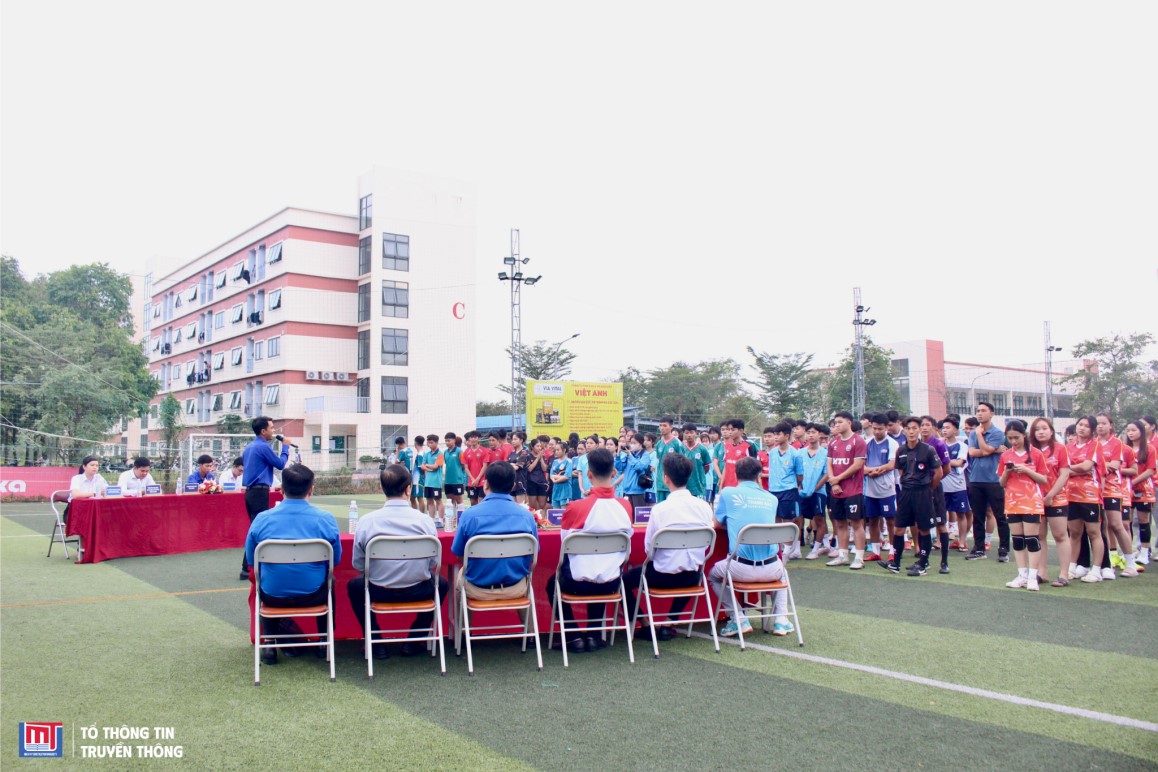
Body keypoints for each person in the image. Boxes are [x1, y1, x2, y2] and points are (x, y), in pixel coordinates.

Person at [347, 464, 448, 660]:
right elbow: (433, 563)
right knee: (441, 584)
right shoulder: (425, 521)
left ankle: (375, 641)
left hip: (378, 589)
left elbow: (359, 565)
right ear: (409, 489)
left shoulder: (367, 521)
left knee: (355, 586)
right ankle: (415, 639)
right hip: (418, 588)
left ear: (382, 488)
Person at [245, 464, 341, 665]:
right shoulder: (325, 519)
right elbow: (336, 560)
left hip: (272, 595)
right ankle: (324, 641)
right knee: (330, 580)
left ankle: (269, 643)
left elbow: (252, 561)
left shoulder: (262, 519)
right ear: (311, 489)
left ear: (281, 489)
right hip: (314, 594)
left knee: (265, 581)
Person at [547, 447, 633, 653]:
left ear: (589, 474)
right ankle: (594, 635)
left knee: (553, 583)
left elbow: (565, 545)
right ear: (614, 473)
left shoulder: (575, 507)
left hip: (576, 583)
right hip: (611, 583)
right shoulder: (625, 506)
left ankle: (573, 636)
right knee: (603, 566)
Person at [623, 453, 714, 641]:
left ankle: (645, 624)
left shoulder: (659, 509)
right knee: (688, 568)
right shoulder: (704, 507)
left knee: (622, 581)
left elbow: (649, 550)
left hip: (660, 576)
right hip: (692, 576)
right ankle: (669, 622)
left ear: (665, 478)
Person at [710, 456, 794, 637]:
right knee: (782, 574)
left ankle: (738, 617)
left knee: (713, 575)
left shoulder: (728, 493)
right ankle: (781, 619)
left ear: (735, 474)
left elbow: (716, 524)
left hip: (740, 568)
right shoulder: (772, 498)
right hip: (772, 568)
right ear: (759, 476)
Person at [450, 460, 539, 610]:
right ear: (513, 486)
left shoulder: (469, 515)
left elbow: (460, 555)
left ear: (485, 484)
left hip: (476, 587)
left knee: (459, 575)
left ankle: (463, 625)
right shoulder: (527, 516)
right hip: (517, 586)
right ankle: (528, 626)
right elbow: (533, 555)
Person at [882, 417, 942, 577]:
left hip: (923, 493)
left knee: (924, 528)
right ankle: (895, 563)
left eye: (915, 428)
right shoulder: (901, 450)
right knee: (899, 528)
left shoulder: (928, 450)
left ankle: (922, 564)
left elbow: (939, 473)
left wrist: (928, 488)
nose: (911, 431)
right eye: (908, 428)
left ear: (919, 430)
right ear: (904, 430)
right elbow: (901, 473)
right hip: (906, 493)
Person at [998, 420, 1049, 590]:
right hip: (1012, 503)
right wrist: (1007, 472)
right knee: (1018, 540)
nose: (1013, 441)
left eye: (1017, 437)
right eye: (1010, 438)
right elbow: (1002, 483)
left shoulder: (1036, 454)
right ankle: (1022, 575)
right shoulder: (1005, 456)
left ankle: (1033, 577)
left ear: (1024, 435)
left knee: (1032, 539)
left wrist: (1026, 470)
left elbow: (1043, 479)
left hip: (1031, 502)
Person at [239, 417, 290, 580]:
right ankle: (247, 568)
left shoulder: (250, 447)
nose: (274, 431)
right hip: (259, 492)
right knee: (258, 529)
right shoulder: (263, 447)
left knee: (255, 527)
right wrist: (285, 447)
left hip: (250, 492)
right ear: (263, 431)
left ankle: (249, 566)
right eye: (271, 428)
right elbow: (280, 464)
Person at [965, 402, 1010, 562]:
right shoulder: (972, 434)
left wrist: (980, 437)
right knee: (978, 516)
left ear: (991, 413)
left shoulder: (997, 433)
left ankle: (1003, 550)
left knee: (1000, 516)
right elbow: (972, 452)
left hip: (994, 480)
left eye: (983, 410)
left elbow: (985, 450)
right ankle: (979, 549)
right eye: (978, 410)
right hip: (976, 479)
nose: (979, 413)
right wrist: (990, 450)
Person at [1030, 417, 1072, 586]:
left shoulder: (1061, 449)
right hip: (1036, 499)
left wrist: (1051, 495)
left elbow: (1064, 474)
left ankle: (1064, 574)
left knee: (1060, 535)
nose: (1041, 432)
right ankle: (1042, 573)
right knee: (1040, 536)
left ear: (1052, 431)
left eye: (1044, 428)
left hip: (1057, 498)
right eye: (1037, 429)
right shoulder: (1031, 450)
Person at [1096, 414, 1138, 577]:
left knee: (1117, 525)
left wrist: (1095, 464)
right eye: (1098, 424)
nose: (1100, 426)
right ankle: (1106, 564)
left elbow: (1114, 466)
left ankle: (1131, 564)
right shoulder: (1093, 443)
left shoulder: (1117, 444)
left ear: (1110, 425)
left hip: (1112, 489)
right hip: (1094, 490)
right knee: (1101, 527)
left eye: (1104, 423)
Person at [1065, 416, 1106, 583]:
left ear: (1092, 430)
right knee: (1074, 533)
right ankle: (1072, 567)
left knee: (1094, 532)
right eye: (1080, 424)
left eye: (1086, 426)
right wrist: (1074, 470)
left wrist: (1069, 470)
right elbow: (1063, 469)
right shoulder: (1068, 447)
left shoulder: (1095, 445)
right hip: (1070, 495)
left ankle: (1096, 570)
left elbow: (1086, 466)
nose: (1082, 428)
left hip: (1090, 496)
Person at [825, 411, 868, 567]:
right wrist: (834, 482)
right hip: (836, 490)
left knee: (856, 524)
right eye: (835, 422)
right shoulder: (833, 443)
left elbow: (858, 465)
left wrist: (838, 478)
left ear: (849, 423)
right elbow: (829, 463)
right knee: (840, 524)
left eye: (840, 422)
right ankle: (842, 555)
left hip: (853, 491)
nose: (837, 425)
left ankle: (859, 558)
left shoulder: (858, 441)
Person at [765, 422, 805, 558]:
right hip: (773, 490)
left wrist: (793, 485)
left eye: (778, 434)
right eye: (774, 434)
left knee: (788, 520)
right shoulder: (772, 453)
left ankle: (788, 550)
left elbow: (800, 475)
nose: (775, 437)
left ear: (787, 436)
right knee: (775, 519)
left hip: (789, 490)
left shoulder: (795, 454)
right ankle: (778, 548)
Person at [863, 414, 899, 566]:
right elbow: (861, 465)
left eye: (880, 429)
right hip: (870, 489)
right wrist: (871, 471)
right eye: (875, 428)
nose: (877, 431)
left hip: (887, 488)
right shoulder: (867, 443)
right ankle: (876, 551)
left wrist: (874, 471)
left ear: (886, 428)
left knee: (890, 520)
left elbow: (891, 465)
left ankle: (893, 550)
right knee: (872, 519)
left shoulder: (892, 443)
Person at [919, 416, 954, 573]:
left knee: (941, 524)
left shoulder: (939, 444)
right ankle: (923, 561)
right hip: (919, 490)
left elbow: (947, 468)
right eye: (922, 425)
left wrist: (933, 483)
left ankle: (944, 562)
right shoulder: (916, 444)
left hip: (934, 489)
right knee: (922, 524)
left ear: (933, 427)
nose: (924, 428)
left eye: (927, 425)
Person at [940, 418, 972, 554]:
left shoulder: (962, 446)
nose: (945, 430)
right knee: (940, 514)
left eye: (948, 428)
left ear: (956, 430)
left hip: (958, 485)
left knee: (961, 514)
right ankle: (939, 541)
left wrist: (944, 461)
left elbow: (959, 463)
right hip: (942, 485)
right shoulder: (939, 444)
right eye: (943, 428)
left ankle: (962, 541)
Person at [1126, 420, 1154, 566]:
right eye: (1128, 430)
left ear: (1141, 432)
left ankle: (1144, 552)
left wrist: (1133, 482)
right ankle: (1128, 552)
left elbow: (1150, 470)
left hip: (1144, 490)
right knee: (1127, 522)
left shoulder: (1149, 449)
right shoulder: (1125, 449)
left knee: (1144, 521)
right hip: (1127, 491)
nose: (1130, 433)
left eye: (1133, 430)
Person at [801, 423, 831, 560]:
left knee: (819, 519)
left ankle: (816, 548)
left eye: (813, 432)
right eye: (808, 432)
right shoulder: (800, 453)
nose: (810, 435)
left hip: (819, 492)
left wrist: (815, 488)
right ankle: (795, 549)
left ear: (819, 435)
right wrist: (800, 487)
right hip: (802, 492)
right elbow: (796, 472)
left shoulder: (825, 453)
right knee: (798, 518)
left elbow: (827, 474)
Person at [618, 432, 653, 509]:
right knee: (628, 514)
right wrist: (618, 454)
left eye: (634, 443)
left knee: (638, 515)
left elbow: (639, 467)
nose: (632, 445)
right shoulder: (629, 454)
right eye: (631, 443)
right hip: (627, 490)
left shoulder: (645, 455)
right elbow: (619, 468)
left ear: (640, 444)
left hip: (638, 491)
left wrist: (630, 456)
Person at [678, 422, 712, 500]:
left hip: (699, 486)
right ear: (683, 434)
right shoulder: (681, 449)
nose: (689, 435)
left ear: (696, 433)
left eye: (691, 432)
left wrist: (699, 475)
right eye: (687, 433)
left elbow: (706, 467)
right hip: (685, 487)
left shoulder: (702, 449)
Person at [654, 417, 683, 504]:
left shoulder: (677, 443)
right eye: (660, 425)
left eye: (664, 425)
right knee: (661, 507)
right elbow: (658, 461)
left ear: (671, 427)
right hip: (660, 482)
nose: (662, 428)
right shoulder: (659, 444)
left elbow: (682, 462)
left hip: (673, 483)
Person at [419, 434, 445, 524]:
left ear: (436, 442)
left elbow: (435, 466)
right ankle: (432, 520)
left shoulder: (440, 454)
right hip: (428, 482)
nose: (430, 444)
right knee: (429, 501)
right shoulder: (427, 454)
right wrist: (428, 467)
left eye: (431, 442)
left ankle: (440, 520)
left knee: (438, 500)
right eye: (428, 443)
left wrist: (427, 465)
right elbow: (422, 466)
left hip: (436, 482)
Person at [461, 430, 492, 506]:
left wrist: (477, 479)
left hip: (482, 481)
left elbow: (485, 466)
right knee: (472, 502)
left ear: (479, 439)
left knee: (482, 501)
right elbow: (466, 467)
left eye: (475, 437)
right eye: (471, 437)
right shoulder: (466, 452)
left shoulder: (484, 451)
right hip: (471, 482)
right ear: (469, 439)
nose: (473, 439)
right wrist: (472, 479)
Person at [524, 438, 550, 514]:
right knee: (532, 505)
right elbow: (530, 469)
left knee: (542, 504)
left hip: (541, 481)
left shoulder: (543, 456)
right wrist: (537, 458)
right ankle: (535, 517)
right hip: (531, 482)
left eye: (540, 446)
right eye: (537, 446)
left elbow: (545, 469)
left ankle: (541, 517)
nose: (539, 448)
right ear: (532, 447)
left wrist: (541, 458)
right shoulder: (528, 456)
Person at [442, 432, 466, 514]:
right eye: (446, 441)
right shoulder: (445, 452)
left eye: (449, 440)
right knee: (450, 500)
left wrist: (459, 475)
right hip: (448, 481)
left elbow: (463, 465)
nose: (447, 442)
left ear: (454, 440)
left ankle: (460, 517)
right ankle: (451, 518)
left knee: (459, 500)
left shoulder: (459, 451)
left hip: (457, 481)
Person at [549, 442, 573, 509]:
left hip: (565, 490)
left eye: (558, 450)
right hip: (556, 490)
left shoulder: (569, 461)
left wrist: (555, 480)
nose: (556, 452)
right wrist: (554, 479)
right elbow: (551, 475)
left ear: (564, 450)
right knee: (555, 512)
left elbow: (566, 476)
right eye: (555, 450)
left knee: (564, 511)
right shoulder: (555, 462)